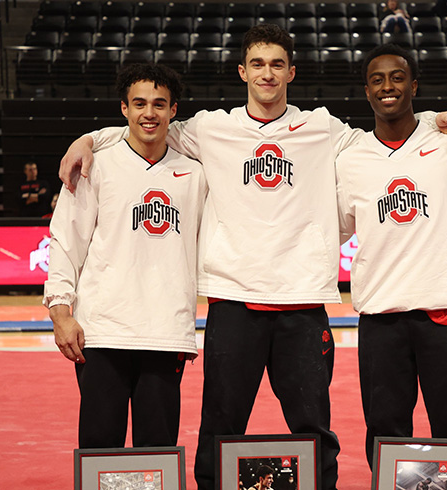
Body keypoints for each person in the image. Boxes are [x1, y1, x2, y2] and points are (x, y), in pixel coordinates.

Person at [59, 24, 371, 490]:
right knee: (219, 426)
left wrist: (436, 122)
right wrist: (89, 139)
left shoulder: (322, 128)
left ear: (292, 72)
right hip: (233, 300)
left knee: (313, 425)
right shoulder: (212, 128)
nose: (267, 74)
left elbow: (387, 143)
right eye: (259, 64)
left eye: (277, 64)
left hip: (302, 299)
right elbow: (146, 126)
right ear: (242, 71)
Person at [336, 43, 447, 487]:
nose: (388, 86)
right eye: (378, 79)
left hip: (446, 312)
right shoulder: (350, 160)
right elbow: (334, 229)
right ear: (366, 91)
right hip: (381, 318)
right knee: (385, 434)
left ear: (413, 85)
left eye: (397, 77)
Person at [43, 63, 207, 450]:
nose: (149, 113)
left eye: (159, 104)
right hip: (102, 330)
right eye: (139, 104)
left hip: (165, 331)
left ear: (173, 110)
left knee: (159, 450)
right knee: (101, 449)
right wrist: (60, 313)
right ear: (124, 109)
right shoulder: (93, 167)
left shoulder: (198, 175)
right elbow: (66, 241)